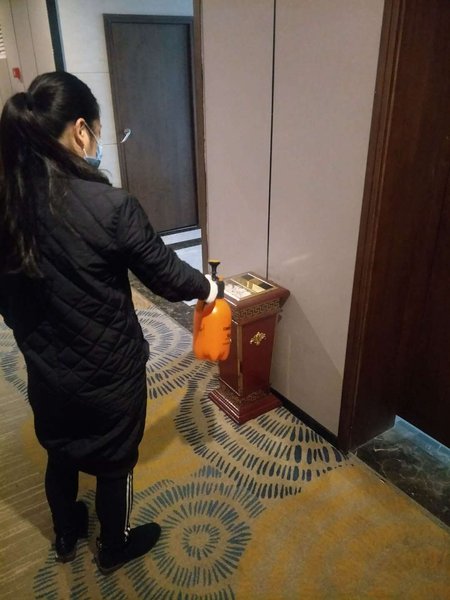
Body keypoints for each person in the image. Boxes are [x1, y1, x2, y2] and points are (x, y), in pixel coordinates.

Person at [0, 71, 217, 575]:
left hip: (47, 371)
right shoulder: (110, 206)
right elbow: (167, 275)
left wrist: (34, 336)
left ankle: (65, 534)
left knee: (59, 450)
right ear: (80, 130)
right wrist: (209, 288)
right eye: (97, 131)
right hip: (110, 372)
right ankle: (114, 546)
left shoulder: (9, 206)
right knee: (116, 461)